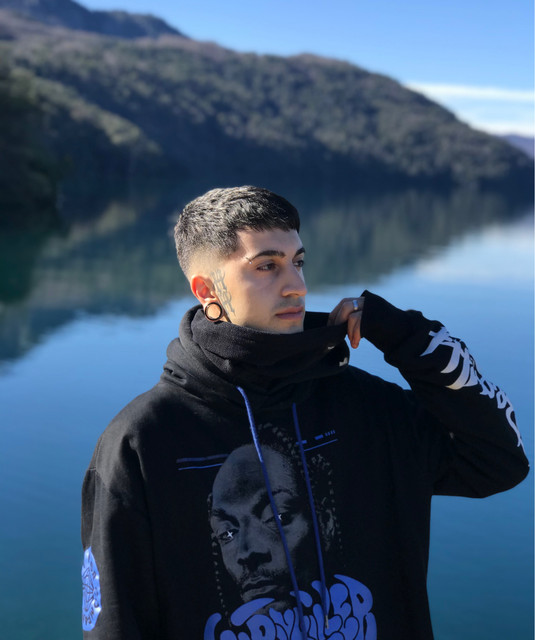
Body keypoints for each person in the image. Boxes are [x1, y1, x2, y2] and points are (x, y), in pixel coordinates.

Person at [81, 185, 528, 640]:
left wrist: (408, 339)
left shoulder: (367, 408)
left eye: (298, 262)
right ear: (207, 290)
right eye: (267, 266)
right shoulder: (143, 441)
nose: (296, 285)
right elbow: (115, 623)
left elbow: (498, 462)